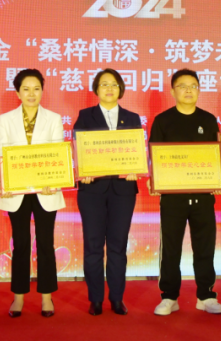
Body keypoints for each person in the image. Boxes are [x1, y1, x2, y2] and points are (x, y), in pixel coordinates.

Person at [150, 69, 221, 316]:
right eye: (182, 86)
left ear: (199, 90)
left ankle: (206, 295)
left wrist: (218, 178)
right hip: (173, 198)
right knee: (171, 248)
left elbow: (216, 156)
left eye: (193, 86)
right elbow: (154, 157)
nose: (188, 90)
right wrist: (155, 181)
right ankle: (169, 297)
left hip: (203, 196)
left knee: (205, 246)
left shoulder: (209, 120)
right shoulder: (162, 121)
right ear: (173, 91)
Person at [0, 69, 65, 318]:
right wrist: (4, 183)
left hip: (46, 190)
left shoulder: (53, 118)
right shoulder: (6, 119)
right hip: (16, 191)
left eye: (36, 88)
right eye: (26, 89)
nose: (31, 94)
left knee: (46, 243)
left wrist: (54, 180)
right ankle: (18, 297)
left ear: (42, 91)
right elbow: (1, 153)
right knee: (21, 243)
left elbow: (57, 153)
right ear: (17, 92)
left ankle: (46, 297)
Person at [74, 69, 141, 316]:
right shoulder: (85, 116)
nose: (109, 88)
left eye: (114, 84)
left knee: (117, 245)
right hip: (92, 189)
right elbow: (77, 149)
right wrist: (82, 170)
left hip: (123, 190)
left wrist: (135, 169)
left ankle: (116, 298)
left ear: (120, 88)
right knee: (93, 245)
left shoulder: (132, 118)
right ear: (96, 89)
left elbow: (137, 151)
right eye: (104, 84)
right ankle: (95, 299)